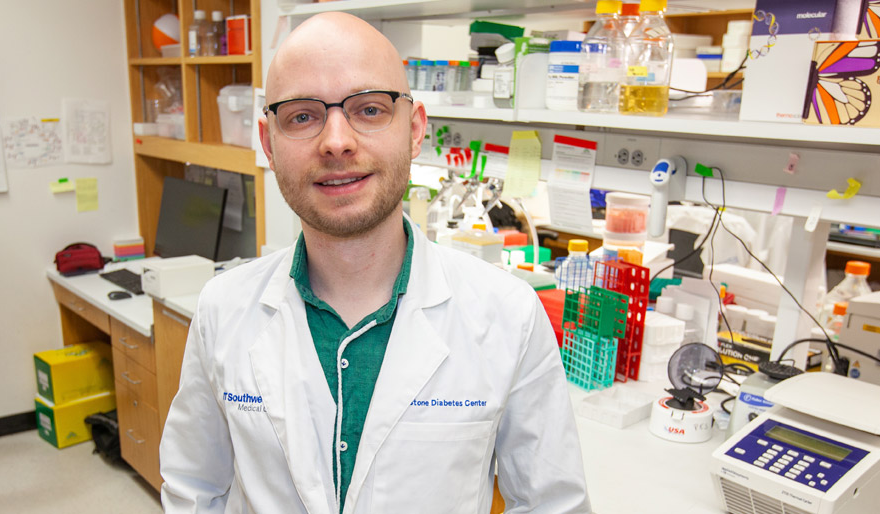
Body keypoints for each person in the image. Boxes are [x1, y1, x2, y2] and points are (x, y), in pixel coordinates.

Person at [158, 12, 590, 514]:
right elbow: (192, 490)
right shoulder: (223, 308)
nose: (336, 141)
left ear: (414, 129)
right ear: (268, 142)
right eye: (302, 115)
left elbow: (552, 505)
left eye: (368, 109)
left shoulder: (508, 315)